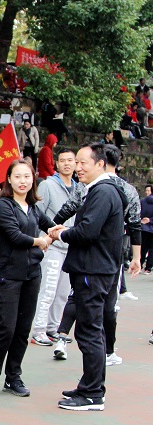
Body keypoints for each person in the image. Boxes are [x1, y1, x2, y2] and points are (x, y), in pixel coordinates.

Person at [48, 143, 126, 411]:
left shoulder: (103, 192)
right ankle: (90, 386)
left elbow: (88, 231)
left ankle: (92, 394)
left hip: (93, 270)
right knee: (92, 330)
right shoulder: (102, 190)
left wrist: (61, 233)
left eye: (83, 163)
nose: (77, 168)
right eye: (76, 162)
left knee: (89, 332)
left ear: (100, 164)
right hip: (95, 269)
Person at [0, 159, 55, 398]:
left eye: (27, 176)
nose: (23, 181)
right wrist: (39, 241)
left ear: (33, 179)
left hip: (32, 274)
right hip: (9, 275)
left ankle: (13, 378)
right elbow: (15, 236)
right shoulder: (3, 206)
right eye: (18, 176)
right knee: (7, 329)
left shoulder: (33, 207)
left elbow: (49, 226)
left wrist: (56, 232)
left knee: (23, 330)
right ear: (9, 180)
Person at [30, 149, 82, 349]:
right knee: (48, 290)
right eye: (62, 160)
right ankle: (39, 330)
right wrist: (41, 241)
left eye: (70, 160)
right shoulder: (48, 185)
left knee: (63, 293)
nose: (67, 164)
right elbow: (37, 214)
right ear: (57, 164)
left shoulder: (79, 188)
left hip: (71, 247)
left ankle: (53, 328)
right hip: (52, 247)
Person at [141, 184, 153, 274]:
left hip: (143, 227)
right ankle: (148, 268)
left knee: (143, 247)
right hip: (151, 228)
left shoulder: (142, 201)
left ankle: (140, 264)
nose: (146, 192)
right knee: (151, 249)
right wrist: (150, 220)